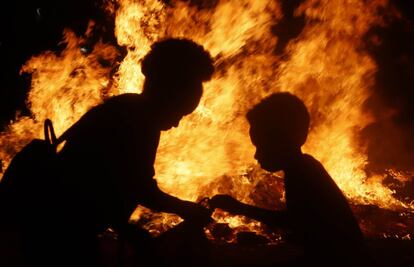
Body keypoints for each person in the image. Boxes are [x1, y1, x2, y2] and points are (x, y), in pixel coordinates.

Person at [26, 38, 215, 266]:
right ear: (166, 93)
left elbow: (107, 182)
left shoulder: (127, 109)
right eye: (179, 112)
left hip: (62, 226)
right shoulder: (136, 121)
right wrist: (184, 208)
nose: (176, 123)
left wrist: (126, 229)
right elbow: (138, 188)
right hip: (61, 232)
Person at [209, 92, 371, 266]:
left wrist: (238, 208)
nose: (256, 155)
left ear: (281, 142)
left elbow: (294, 221)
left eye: (261, 146)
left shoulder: (302, 172)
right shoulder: (303, 167)